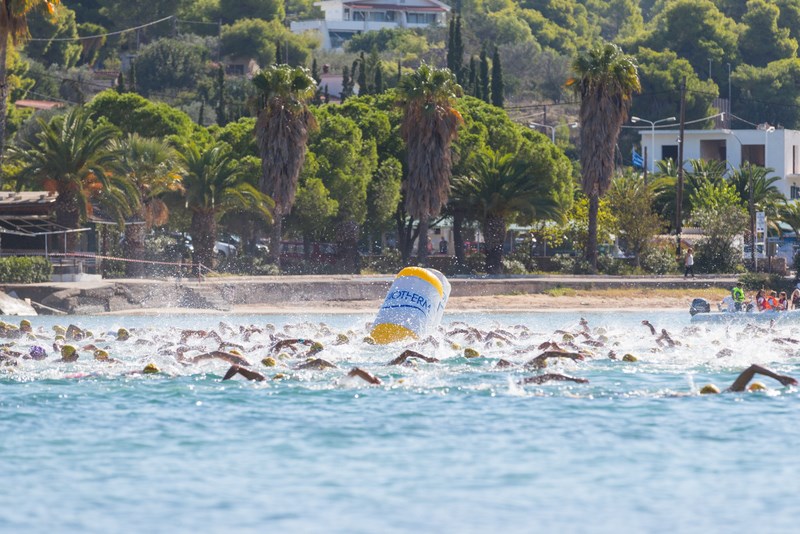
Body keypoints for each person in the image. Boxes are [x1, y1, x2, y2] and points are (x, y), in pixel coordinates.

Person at [699, 364, 797, 394]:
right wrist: (779, 378)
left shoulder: (730, 391)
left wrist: (779, 377)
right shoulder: (736, 390)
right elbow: (753, 368)